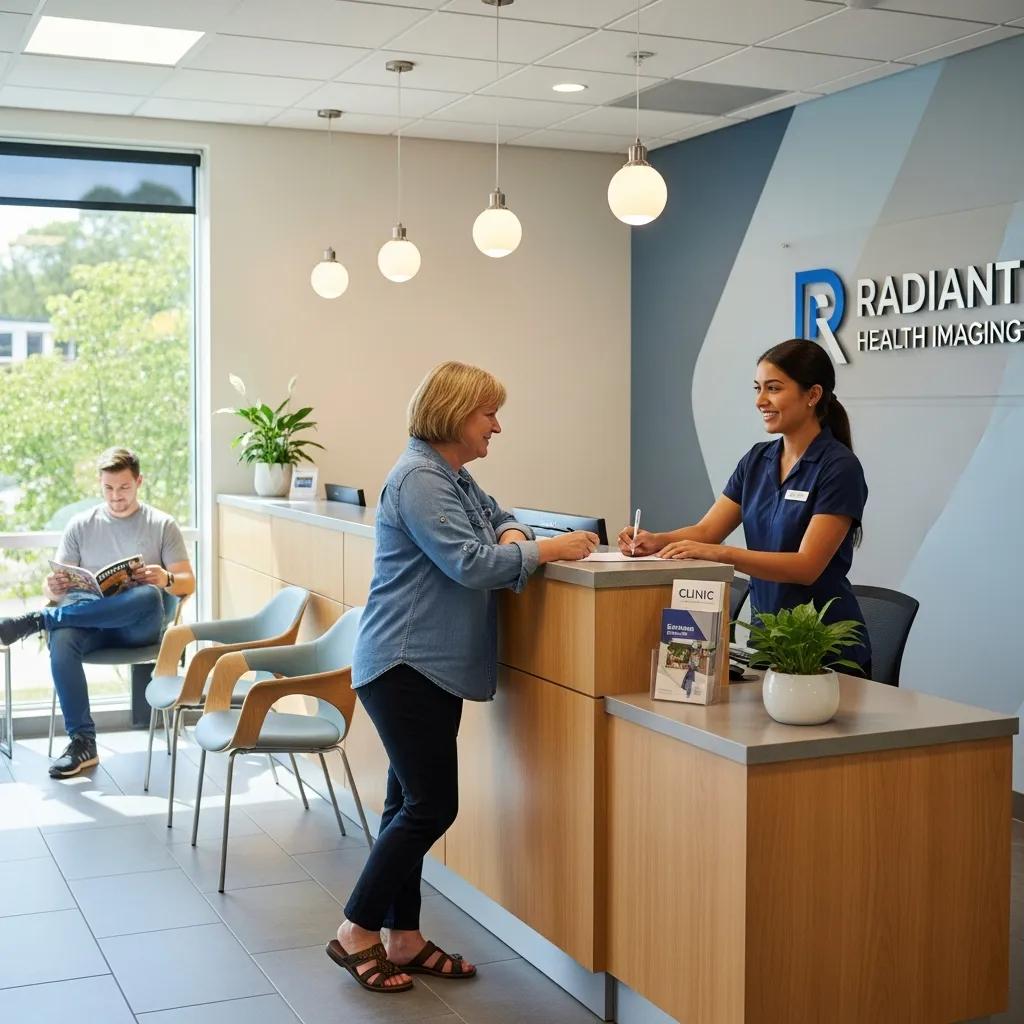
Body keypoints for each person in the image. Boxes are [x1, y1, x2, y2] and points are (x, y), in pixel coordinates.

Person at [328, 361, 598, 993]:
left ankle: (403, 936)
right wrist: (546, 549)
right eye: (488, 414)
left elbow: (500, 517)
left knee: (406, 804)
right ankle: (356, 930)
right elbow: (471, 564)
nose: (496, 427)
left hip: (425, 667)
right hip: (405, 663)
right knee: (431, 806)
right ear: (454, 414)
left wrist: (516, 534)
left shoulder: (451, 474)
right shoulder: (420, 478)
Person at [619, 338, 871, 675]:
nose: (760, 400)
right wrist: (656, 540)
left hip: (823, 649)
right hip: (769, 640)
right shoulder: (756, 460)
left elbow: (807, 565)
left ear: (813, 395)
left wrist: (722, 554)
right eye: (758, 388)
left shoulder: (839, 468)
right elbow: (707, 531)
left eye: (773, 388)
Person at [0, 447, 195, 777]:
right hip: (90, 626)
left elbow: (188, 582)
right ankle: (83, 743)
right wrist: (53, 587)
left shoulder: (162, 524)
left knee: (148, 596)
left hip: (138, 628)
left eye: (124, 487)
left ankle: (39, 621)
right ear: (99, 484)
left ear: (139, 482)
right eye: (108, 488)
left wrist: (165, 578)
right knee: (63, 639)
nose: (116, 496)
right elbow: (55, 587)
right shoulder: (81, 525)